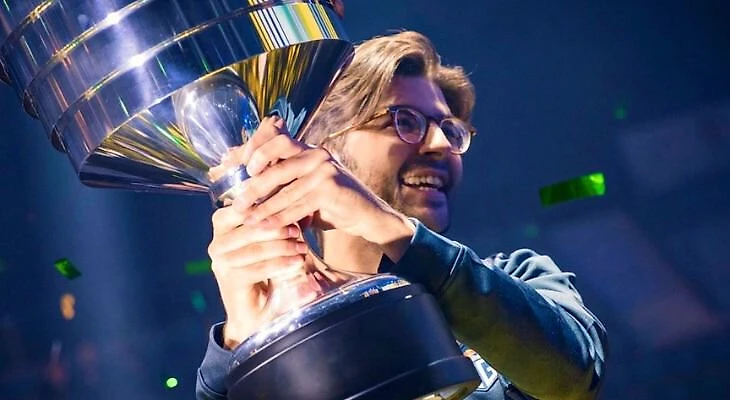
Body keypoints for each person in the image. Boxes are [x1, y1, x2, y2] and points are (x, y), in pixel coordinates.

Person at [195, 30, 607, 400]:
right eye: (404, 121)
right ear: (323, 146)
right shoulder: (280, 326)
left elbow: (571, 380)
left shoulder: (520, 278)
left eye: (451, 130)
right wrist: (243, 347)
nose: (441, 144)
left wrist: (390, 229)